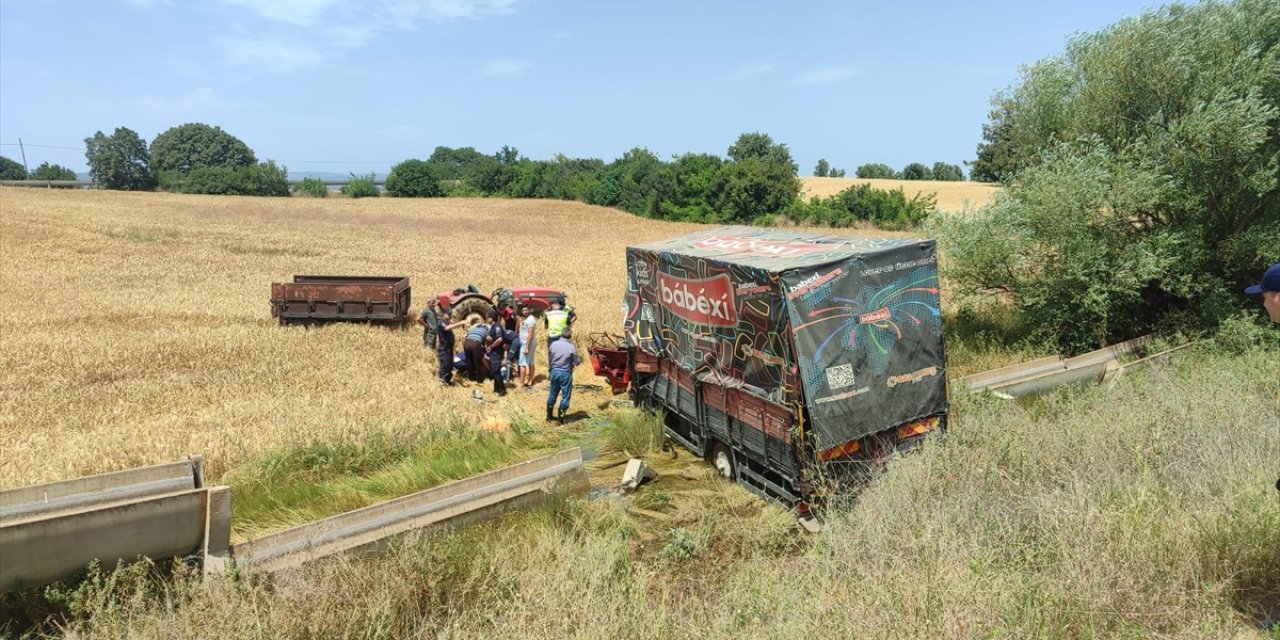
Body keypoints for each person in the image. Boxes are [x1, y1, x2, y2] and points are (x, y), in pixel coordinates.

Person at [546, 327, 582, 422]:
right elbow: (577, 362)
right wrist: (580, 359)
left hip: (554, 371)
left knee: (553, 394)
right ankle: (560, 418)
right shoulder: (571, 347)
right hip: (565, 373)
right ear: (569, 336)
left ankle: (549, 416)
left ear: (561, 334)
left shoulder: (553, 344)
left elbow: (550, 358)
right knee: (565, 396)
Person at [434, 309, 465, 386]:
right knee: (444, 364)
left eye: (450, 314)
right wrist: (460, 323)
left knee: (449, 365)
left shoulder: (447, 322)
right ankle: (442, 382)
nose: (450, 315)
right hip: (444, 348)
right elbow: (446, 328)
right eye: (448, 314)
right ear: (444, 314)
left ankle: (447, 381)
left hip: (449, 348)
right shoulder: (441, 322)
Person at [485, 310, 508, 396]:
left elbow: (499, 339)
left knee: (495, 370)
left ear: (492, 318)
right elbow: (494, 338)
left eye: (488, 317)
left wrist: (491, 347)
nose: (487, 319)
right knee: (495, 370)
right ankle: (496, 388)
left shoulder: (497, 326)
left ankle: (502, 390)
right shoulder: (493, 326)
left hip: (496, 352)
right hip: (494, 352)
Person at [463, 316, 490, 383]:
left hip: (467, 343)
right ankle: (479, 380)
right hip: (475, 344)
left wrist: (464, 346)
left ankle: (471, 378)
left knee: (469, 361)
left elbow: (463, 337)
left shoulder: (471, 329)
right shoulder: (484, 330)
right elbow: (487, 341)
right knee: (478, 362)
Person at [518, 304, 537, 388]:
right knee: (531, 362)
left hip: (527, 343)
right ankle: (530, 380)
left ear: (529, 310)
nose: (524, 312)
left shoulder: (530, 320)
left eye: (526, 310)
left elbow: (530, 335)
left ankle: (521, 383)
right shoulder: (527, 319)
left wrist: (526, 348)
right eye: (523, 310)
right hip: (527, 343)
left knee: (522, 363)